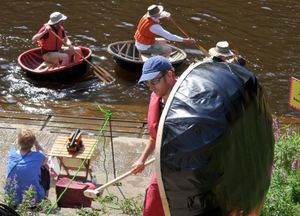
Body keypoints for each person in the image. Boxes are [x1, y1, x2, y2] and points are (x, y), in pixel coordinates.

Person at [132, 56, 177, 216]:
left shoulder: (188, 100)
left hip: (187, 168)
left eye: (155, 81)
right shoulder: (157, 99)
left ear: (170, 75)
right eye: (147, 83)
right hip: (164, 165)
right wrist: (142, 159)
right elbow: (154, 137)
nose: (151, 87)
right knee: (151, 208)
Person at [5, 129, 50, 207]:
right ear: (32, 144)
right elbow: (44, 156)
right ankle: (44, 201)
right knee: (45, 170)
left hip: (11, 197)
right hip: (32, 199)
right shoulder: (38, 156)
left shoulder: (11, 154)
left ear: (18, 141)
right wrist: (36, 143)